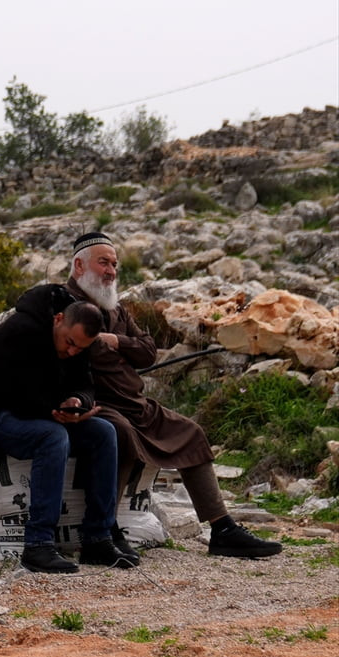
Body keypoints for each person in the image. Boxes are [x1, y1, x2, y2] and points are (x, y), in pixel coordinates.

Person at [65, 231, 282, 558]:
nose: (111, 271)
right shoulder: (65, 306)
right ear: (79, 266)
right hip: (101, 405)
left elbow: (149, 352)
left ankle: (222, 528)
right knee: (119, 435)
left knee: (191, 433)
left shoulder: (117, 309)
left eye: (115, 264)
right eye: (103, 263)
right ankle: (104, 530)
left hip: (136, 404)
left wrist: (117, 342)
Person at [0, 286, 135, 573]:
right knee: (53, 437)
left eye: (80, 347)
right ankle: (39, 545)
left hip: (39, 411)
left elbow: (85, 383)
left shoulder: (76, 342)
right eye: (69, 343)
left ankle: (97, 539)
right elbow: (12, 394)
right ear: (57, 320)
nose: (72, 351)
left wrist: (79, 402)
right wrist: (59, 414)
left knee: (103, 432)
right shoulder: (19, 331)